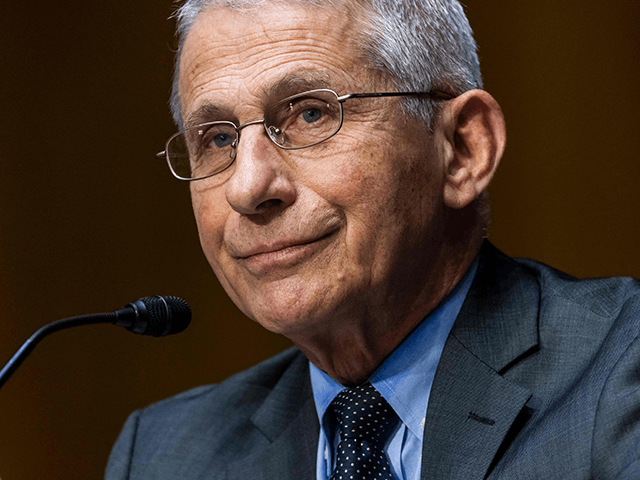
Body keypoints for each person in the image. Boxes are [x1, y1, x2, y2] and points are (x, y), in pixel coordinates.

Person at [106, 0, 640, 479]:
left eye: (310, 113)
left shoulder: (621, 371)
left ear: (462, 149)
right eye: (218, 138)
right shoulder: (163, 456)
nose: (247, 188)